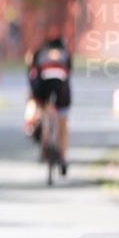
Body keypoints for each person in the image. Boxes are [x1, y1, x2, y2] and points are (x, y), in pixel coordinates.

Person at [29, 25, 73, 175]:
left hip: (42, 85)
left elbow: (32, 73)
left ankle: (42, 136)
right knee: (63, 121)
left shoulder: (39, 53)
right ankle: (63, 157)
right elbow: (68, 73)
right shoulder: (65, 53)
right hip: (61, 86)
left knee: (41, 108)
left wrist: (34, 97)